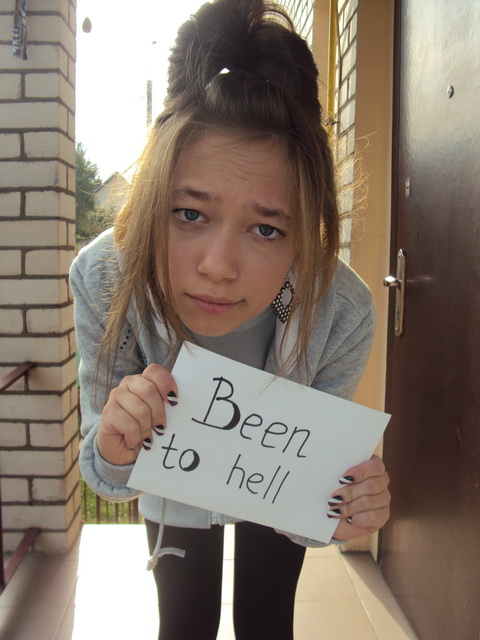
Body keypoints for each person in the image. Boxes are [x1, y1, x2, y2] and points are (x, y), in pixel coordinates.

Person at [70, 1, 390, 638]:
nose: (218, 267)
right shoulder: (107, 276)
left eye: (266, 228)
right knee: (182, 623)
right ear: (155, 196)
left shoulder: (340, 312)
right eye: (190, 214)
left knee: (268, 622)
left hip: (268, 489)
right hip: (174, 495)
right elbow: (105, 474)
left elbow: (310, 509)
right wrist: (114, 442)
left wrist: (341, 507)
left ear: (306, 226)